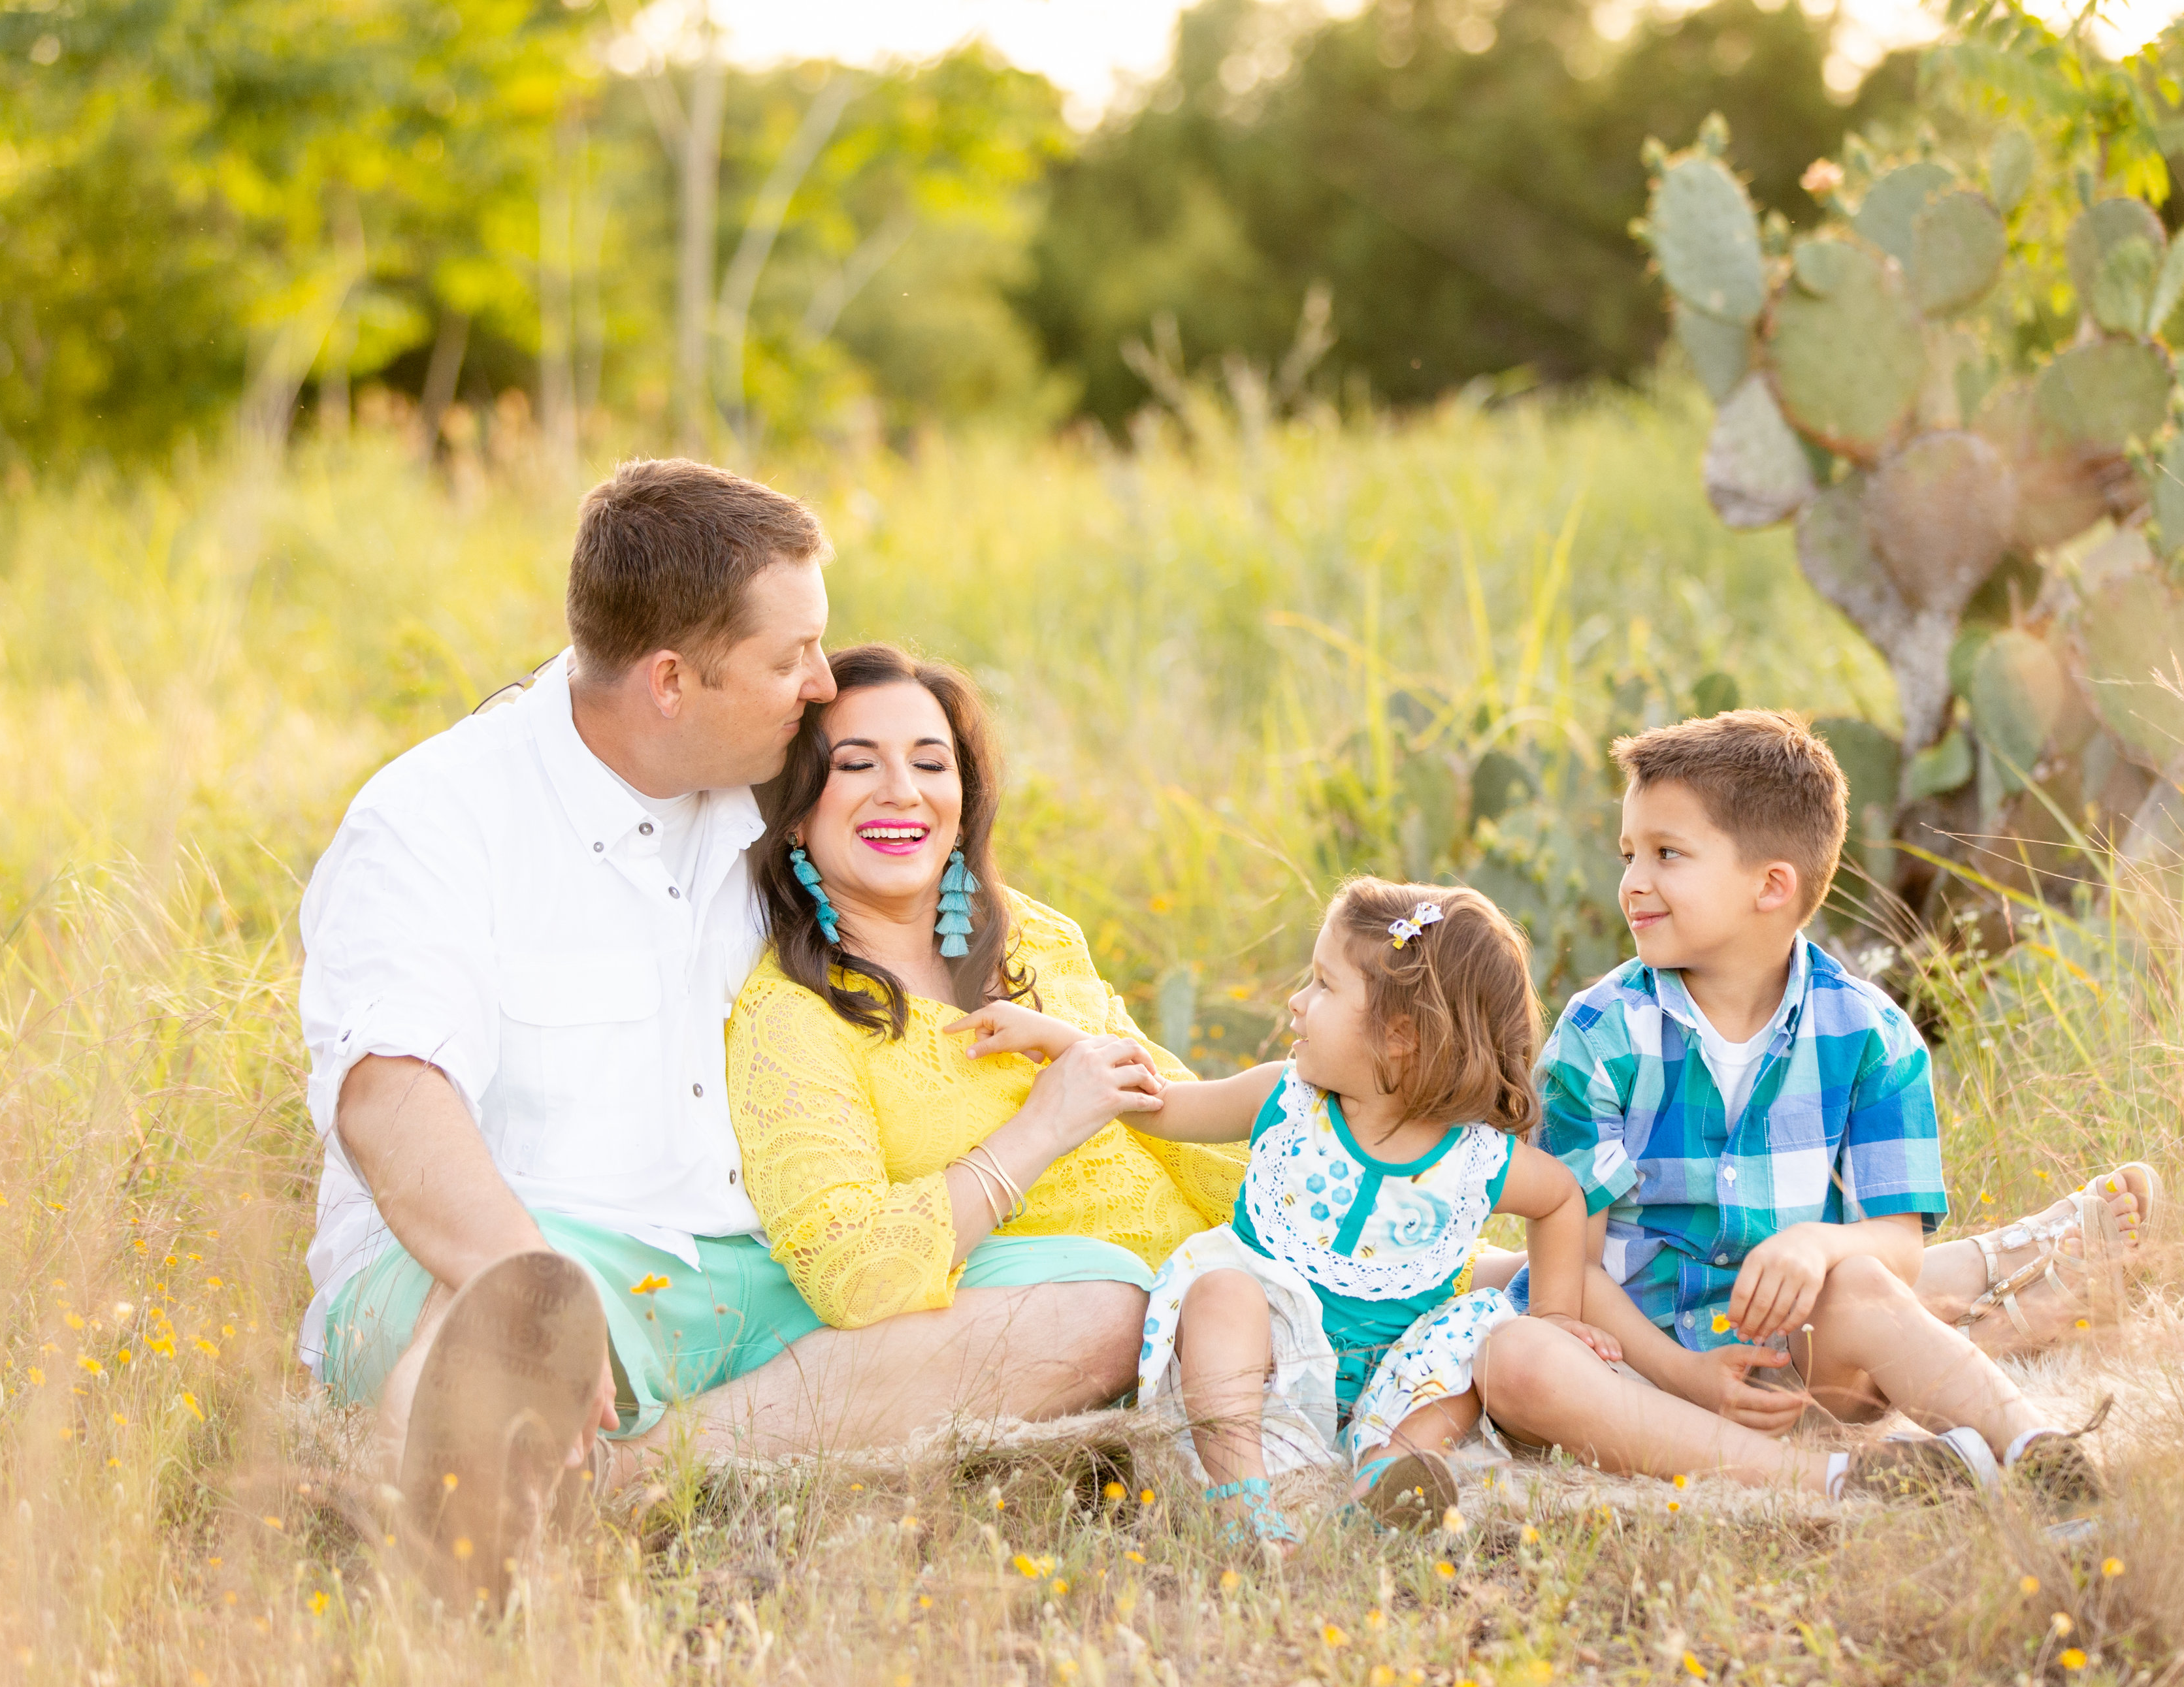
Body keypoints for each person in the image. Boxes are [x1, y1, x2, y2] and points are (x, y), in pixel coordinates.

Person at [292, 461, 1142, 1605]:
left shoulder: (766, 791)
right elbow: (392, 1099)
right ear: (670, 682)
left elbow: (922, 874)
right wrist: (533, 1286)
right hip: (534, 1250)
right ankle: (446, 1530)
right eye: (791, 658)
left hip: (764, 1269)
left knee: (1104, 1308)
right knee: (483, 1322)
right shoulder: (435, 820)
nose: (821, 682)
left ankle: (643, 1473)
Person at [1478, 710, 2142, 1507]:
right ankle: (1854, 1475)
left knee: (1860, 1284)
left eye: (1667, 854)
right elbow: (1573, 1268)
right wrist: (1683, 1372)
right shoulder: (1601, 1035)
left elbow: (1893, 1247)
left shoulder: (1871, 1035)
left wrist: (1814, 1244)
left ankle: (2038, 1450)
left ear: (1771, 885)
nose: (1632, 882)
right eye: (1628, 854)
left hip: (1794, 1363)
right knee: (1515, 1358)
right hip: (1636, 1365)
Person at [710, 644, 1243, 1466]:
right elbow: (849, 1272)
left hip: (1214, 1296)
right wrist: (1040, 1127)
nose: (903, 791)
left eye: (932, 763)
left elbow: (1170, 1112)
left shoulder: (1033, 937)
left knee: (1484, 1283)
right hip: (1064, 1322)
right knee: (1110, 1307)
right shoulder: (792, 1016)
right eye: (856, 765)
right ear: (793, 810)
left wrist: (1334, 1214)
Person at [962, 879, 1610, 1554]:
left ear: (1400, 1037)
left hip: (1389, 1381)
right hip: (1266, 1378)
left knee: (1469, 1334)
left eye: (1324, 986)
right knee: (1221, 1292)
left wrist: (1556, 1315)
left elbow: (1562, 1197)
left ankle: (1390, 1475)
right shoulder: (1285, 1100)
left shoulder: (1475, 1161)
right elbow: (1159, 1103)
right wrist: (1059, 1041)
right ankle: (1242, 1491)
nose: (1296, 1003)